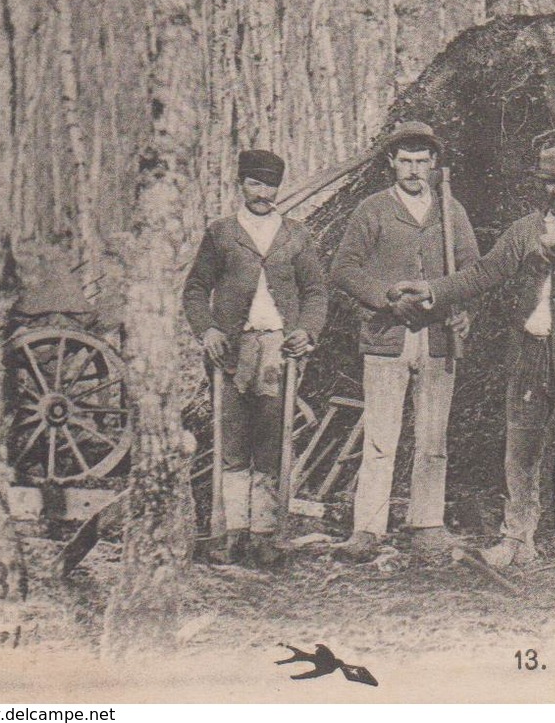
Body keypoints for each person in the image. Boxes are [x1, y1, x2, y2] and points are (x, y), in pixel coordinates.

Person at [390, 144, 555, 578]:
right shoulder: (525, 230)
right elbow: (483, 273)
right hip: (529, 356)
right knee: (520, 451)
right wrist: (432, 291)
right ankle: (517, 539)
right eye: (550, 183)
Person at [330, 122, 478, 563]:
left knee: (433, 437)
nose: (414, 170)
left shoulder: (452, 213)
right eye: (405, 160)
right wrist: (385, 297)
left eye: (422, 160)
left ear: (434, 164)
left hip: (437, 338)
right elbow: (344, 269)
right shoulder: (373, 210)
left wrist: (465, 309)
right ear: (391, 163)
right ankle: (368, 528)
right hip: (387, 335)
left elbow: (473, 271)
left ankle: (427, 524)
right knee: (380, 437)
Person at [183, 149, 327, 568]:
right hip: (232, 349)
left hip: (277, 351)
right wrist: (207, 328)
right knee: (231, 440)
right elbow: (195, 289)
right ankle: (231, 532)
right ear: (241, 185)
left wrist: (306, 330)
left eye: (270, 185)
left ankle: (265, 533)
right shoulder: (222, 234)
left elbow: (315, 292)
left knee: (270, 440)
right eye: (255, 184)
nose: (263, 194)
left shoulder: (296, 235)